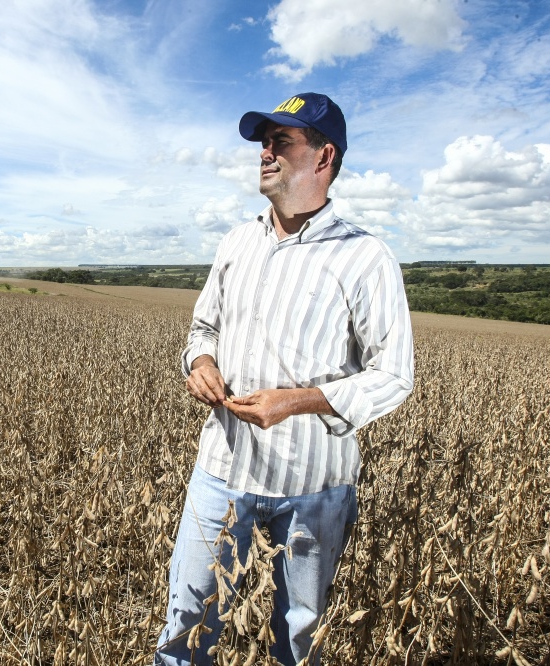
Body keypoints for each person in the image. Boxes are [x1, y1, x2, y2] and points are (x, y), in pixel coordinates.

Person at [154, 92, 414, 665]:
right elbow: (203, 329)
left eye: (281, 142)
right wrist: (200, 364)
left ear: (323, 158)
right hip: (221, 473)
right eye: (264, 142)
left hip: (316, 487)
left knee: (299, 641)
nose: (265, 153)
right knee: (185, 630)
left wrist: (296, 402)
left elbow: (394, 375)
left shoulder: (366, 257)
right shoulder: (236, 242)